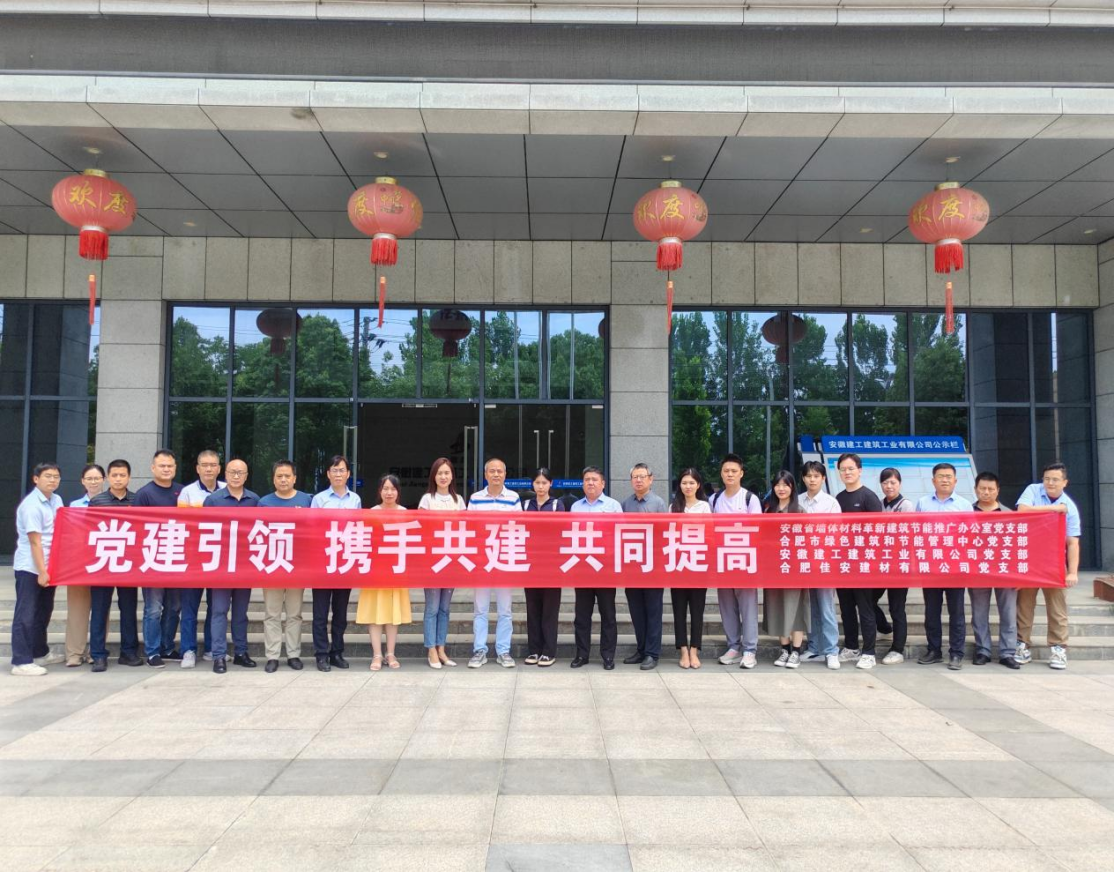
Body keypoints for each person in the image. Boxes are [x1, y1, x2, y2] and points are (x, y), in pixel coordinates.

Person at [1016, 462, 1081, 671]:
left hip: (1054, 563)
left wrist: (1072, 572)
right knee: (1024, 605)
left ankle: (1058, 648)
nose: (1050, 483)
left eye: (1055, 479)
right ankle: (1022, 644)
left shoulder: (1070, 507)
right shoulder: (1033, 490)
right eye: (1046, 479)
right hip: (1028, 560)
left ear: (1065, 482)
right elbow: (1022, 510)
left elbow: (1073, 542)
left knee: (1057, 608)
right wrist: (1054, 509)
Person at [203, 457, 259, 674]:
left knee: (240, 612)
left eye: (240, 472)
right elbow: (204, 531)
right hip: (220, 565)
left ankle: (241, 652)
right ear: (225, 474)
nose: (236, 476)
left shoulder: (254, 500)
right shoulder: (213, 500)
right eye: (232, 472)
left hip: (245, 564)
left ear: (246, 476)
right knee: (219, 611)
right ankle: (218, 655)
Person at [915, 462, 973, 671]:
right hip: (931, 566)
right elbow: (917, 532)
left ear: (955, 481)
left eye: (949, 476)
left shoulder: (964, 505)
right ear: (933, 480)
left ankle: (956, 653)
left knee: (956, 612)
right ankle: (934, 650)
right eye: (941, 476)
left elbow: (971, 536)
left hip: (955, 566)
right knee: (931, 611)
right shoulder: (923, 503)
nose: (945, 480)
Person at [257, 459, 312, 673]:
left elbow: (313, 529)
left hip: (297, 565)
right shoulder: (264, 502)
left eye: (287, 476)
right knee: (272, 613)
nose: (283, 480)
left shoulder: (306, 500)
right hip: (272, 565)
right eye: (279, 476)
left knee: (294, 613)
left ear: (294, 478)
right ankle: (272, 656)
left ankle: (293, 654)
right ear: (273, 479)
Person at [466, 456, 521, 669]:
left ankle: (503, 651)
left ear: (505, 475)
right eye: (492, 471)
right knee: (480, 609)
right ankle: (479, 650)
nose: (496, 474)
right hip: (482, 560)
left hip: (504, 560)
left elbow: (519, 527)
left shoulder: (513, 498)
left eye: (500, 471)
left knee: (505, 610)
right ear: (485, 475)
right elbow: (470, 528)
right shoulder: (476, 498)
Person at [10, 463, 64, 676]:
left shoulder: (56, 500)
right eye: (48, 476)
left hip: (50, 565)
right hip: (31, 567)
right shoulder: (31, 505)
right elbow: (35, 542)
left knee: (43, 611)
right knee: (26, 614)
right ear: (36, 479)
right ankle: (21, 661)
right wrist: (42, 571)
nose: (52, 480)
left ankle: (39, 652)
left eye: (56, 476)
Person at [310, 455, 362, 672]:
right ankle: (321, 654)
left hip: (345, 562)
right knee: (320, 613)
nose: (338, 474)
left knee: (340, 613)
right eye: (334, 470)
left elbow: (358, 528)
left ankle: (337, 652)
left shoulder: (355, 500)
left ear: (348, 474)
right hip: (323, 562)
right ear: (328, 474)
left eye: (342, 470)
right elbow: (312, 529)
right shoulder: (319, 499)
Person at [133, 449, 184, 668]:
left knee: (174, 607)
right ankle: (152, 651)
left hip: (177, 557)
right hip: (152, 558)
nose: (166, 469)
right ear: (153, 468)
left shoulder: (182, 492)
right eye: (162, 466)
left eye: (170, 466)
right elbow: (136, 527)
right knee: (153, 608)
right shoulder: (144, 494)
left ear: (175, 468)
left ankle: (167, 647)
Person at [88, 460, 140, 672]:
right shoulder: (97, 501)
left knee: (128, 609)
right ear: (108, 477)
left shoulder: (137, 500)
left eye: (122, 475)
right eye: (114, 475)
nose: (118, 479)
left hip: (128, 563)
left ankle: (129, 652)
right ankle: (98, 655)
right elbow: (89, 531)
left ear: (129, 477)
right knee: (100, 609)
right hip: (103, 563)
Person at [712, 453, 763, 670]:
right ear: (721, 474)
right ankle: (733, 646)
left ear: (741, 473)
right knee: (727, 606)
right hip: (723, 561)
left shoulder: (750, 499)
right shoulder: (714, 500)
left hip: (745, 561)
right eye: (726, 471)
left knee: (748, 607)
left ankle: (750, 650)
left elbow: (759, 531)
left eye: (734, 471)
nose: (730, 474)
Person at [834, 453, 884, 670]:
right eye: (843, 469)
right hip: (843, 562)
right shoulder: (838, 498)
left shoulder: (868, 497)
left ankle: (869, 652)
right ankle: (851, 646)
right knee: (846, 608)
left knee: (865, 608)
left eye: (851, 468)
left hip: (864, 563)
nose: (847, 472)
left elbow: (877, 533)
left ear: (860, 470)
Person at [569, 466, 623, 670]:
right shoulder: (575, 507)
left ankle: (608, 655)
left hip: (605, 567)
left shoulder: (613, 506)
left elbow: (619, 534)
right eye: (587, 480)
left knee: (608, 614)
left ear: (603, 484)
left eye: (594, 479)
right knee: (582, 615)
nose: (590, 483)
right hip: (582, 567)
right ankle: (582, 654)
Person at [357, 474, 413, 671]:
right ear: (379, 491)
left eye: (393, 489)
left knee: (392, 613)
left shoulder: (405, 513)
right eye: (385, 489)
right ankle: (377, 655)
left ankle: (390, 653)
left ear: (398, 492)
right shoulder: (371, 513)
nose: (389, 493)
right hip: (375, 570)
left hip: (396, 570)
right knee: (375, 613)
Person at [177, 449, 225, 667]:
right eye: (204, 465)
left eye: (213, 465)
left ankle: (211, 648)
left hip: (218, 557)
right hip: (193, 558)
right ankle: (188, 650)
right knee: (189, 607)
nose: (209, 469)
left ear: (219, 468)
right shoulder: (187, 493)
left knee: (216, 607)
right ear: (197, 468)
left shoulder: (227, 489)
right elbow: (183, 525)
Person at [418, 457, 465, 669]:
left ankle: (441, 648)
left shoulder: (459, 500)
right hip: (433, 560)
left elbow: (464, 529)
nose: (443, 477)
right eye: (440, 473)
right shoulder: (427, 499)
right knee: (433, 607)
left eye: (447, 473)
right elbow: (422, 529)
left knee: (445, 608)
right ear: (434, 476)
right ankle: (431, 649)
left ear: (452, 476)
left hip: (452, 559)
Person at [621, 463, 668, 671]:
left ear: (651, 478)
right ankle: (641, 649)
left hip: (653, 566)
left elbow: (664, 534)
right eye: (635, 477)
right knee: (637, 612)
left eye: (642, 476)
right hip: (632, 566)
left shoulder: (658, 503)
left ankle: (652, 653)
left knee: (653, 611)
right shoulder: (625, 504)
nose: (638, 480)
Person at [970, 471, 1020, 670]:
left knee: (1008, 613)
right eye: (982, 488)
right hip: (978, 571)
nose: (986, 492)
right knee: (979, 613)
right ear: (976, 489)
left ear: (998, 490)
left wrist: (1018, 574)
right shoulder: (967, 513)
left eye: (990, 489)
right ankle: (983, 650)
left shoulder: (1009, 515)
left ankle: (1007, 653)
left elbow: (1018, 546)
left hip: (1005, 571)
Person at [798, 460, 841, 670]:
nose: (812, 480)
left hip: (824, 562)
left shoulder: (831, 503)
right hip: (803, 561)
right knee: (810, 607)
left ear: (823, 478)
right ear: (803, 478)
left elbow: (836, 534)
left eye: (816, 476)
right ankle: (814, 647)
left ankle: (831, 650)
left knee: (825, 608)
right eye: (808, 476)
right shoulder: (798, 501)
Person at [763, 471, 808, 668]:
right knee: (777, 608)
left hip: (794, 569)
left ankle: (796, 651)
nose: (781, 489)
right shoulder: (768, 511)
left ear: (792, 487)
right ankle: (784, 649)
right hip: (774, 569)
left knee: (795, 609)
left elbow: (805, 542)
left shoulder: (799, 511)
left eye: (785, 485)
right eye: (778, 485)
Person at [523, 467, 565, 667]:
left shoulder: (557, 505)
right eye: (537, 483)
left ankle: (548, 651)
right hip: (530, 564)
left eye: (544, 483)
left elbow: (561, 531)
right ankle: (534, 650)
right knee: (532, 608)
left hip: (551, 564)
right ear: (533, 484)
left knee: (550, 609)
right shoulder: (525, 505)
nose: (540, 486)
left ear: (551, 484)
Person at [669, 467, 710, 669]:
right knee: (679, 611)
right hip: (678, 564)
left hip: (698, 564)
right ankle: (683, 650)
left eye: (692, 483)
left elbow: (708, 533)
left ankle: (694, 650)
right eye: (684, 483)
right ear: (680, 485)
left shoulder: (704, 506)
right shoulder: (673, 506)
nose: (688, 486)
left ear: (698, 485)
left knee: (697, 610)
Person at [64, 463, 104, 667]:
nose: (93, 482)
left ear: (103, 480)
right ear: (82, 481)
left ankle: (95, 651)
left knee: (101, 610)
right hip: (79, 564)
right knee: (77, 611)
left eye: (97, 478)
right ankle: (74, 653)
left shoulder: (109, 503)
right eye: (89, 478)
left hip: (103, 563)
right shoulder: (74, 506)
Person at [877, 467, 914, 665]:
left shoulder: (905, 505)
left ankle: (897, 649)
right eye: (885, 482)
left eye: (893, 482)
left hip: (900, 564)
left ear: (899, 484)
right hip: (881, 563)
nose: (889, 486)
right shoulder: (879, 504)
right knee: (868, 599)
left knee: (897, 607)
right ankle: (884, 627)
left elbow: (907, 534)